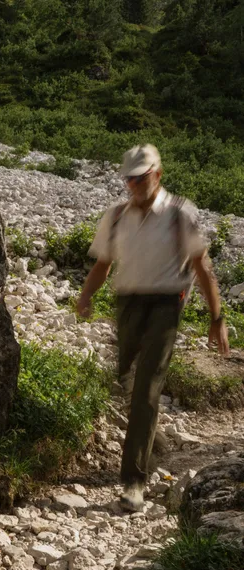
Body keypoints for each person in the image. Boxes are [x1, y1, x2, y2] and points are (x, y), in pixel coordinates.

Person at [76, 144, 229, 512]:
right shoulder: (114, 216)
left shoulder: (180, 214)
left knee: (146, 386)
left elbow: (201, 267)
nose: (133, 185)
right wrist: (85, 297)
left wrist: (217, 316)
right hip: (128, 302)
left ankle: (133, 481)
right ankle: (153, 443)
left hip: (166, 303)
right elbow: (103, 265)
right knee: (125, 380)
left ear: (157, 175)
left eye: (140, 178)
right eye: (128, 179)